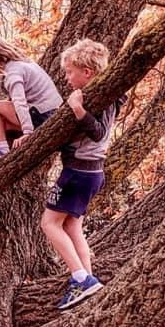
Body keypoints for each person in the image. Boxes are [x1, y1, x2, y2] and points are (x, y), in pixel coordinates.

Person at [40, 38, 124, 310]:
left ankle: (80, 279)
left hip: (78, 171)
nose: (66, 78)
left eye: (69, 72)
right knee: (72, 225)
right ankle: (89, 281)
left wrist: (77, 108)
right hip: (91, 173)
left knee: (49, 224)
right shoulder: (108, 95)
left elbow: (98, 132)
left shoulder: (97, 98)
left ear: (87, 73)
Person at [0, 37, 62, 159]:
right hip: (50, 114)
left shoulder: (13, 72)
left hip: (42, 115)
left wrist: (27, 132)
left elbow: (20, 103)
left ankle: (2, 151)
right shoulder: (23, 63)